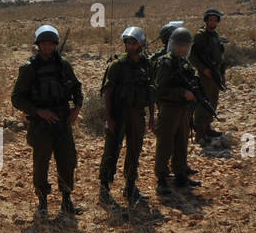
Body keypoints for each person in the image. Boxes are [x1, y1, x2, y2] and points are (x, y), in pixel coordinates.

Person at [11, 24, 83, 219]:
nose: (47, 47)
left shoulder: (63, 65)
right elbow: (17, 98)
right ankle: (42, 201)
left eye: (51, 44)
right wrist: (38, 111)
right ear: (38, 45)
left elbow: (77, 88)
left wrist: (76, 108)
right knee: (41, 163)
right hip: (41, 124)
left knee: (67, 161)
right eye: (43, 43)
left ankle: (66, 199)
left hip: (62, 121)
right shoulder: (29, 68)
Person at [97, 26, 154, 207]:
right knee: (112, 149)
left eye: (134, 42)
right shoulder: (117, 66)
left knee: (134, 150)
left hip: (137, 114)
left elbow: (151, 92)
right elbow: (108, 92)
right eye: (128, 42)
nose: (131, 46)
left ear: (141, 44)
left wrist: (152, 117)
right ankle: (105, 185)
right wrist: (109, 118)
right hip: (119, 113)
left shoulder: (146, 64)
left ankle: (130, 185)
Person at [154, 26, 203, 194]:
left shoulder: (184, 64)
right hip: (169, 109)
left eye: (186, 46)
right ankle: (161, 178)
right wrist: (182, 92)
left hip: (183, 110)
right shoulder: (165, 63)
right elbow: (159, 89)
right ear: (174, 45)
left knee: (182, 142)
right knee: (165, 144)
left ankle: (180, 174)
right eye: (181, 45)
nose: (183, 49)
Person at [190, 8, 227, 143]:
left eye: (215, 20)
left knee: (213, 101)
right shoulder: (200, 35)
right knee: (203, 102)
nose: (212, 22)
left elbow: (220, 57)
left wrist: (222, 73)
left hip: (215, 74)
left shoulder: (215, 35)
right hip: (205, 75)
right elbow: (192, 56)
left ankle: (207, 127)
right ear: (206, 21)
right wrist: (203, 69)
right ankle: (199, 131)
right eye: (210, 20)